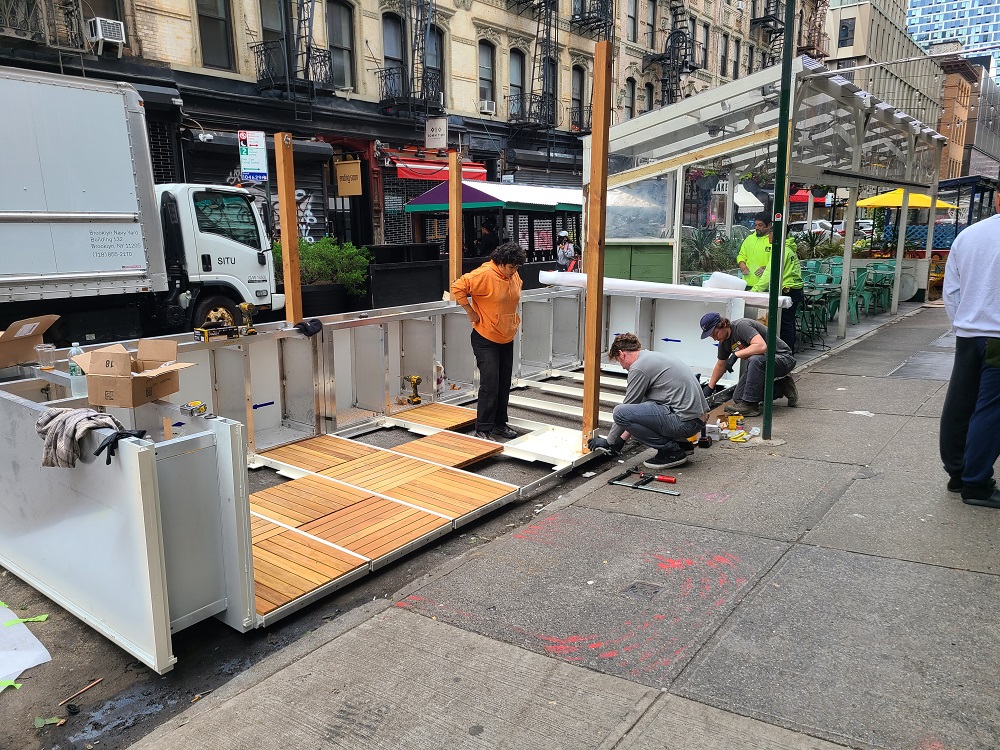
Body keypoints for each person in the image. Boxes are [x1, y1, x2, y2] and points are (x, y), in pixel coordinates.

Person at [940, 191, 1000, 508]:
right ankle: (976, 483)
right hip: (998, 337)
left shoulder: (969, 235)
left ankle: (957, 474)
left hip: (969, 333)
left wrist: (961, 323)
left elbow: (951, 289)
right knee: (991, 410)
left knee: (960, 404)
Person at [587, 333, 709, 470]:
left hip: (686, 423)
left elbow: (627, 409)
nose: (622, 367)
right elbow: (638, 412)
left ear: (622, 354)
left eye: (619, 361)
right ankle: (681, 444)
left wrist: (610, 442)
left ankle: (671, 451)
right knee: (645, 405)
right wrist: (621, 440)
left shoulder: (639, 367)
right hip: (695, 420)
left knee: (619, 412)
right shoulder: (652, 358)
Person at [451, 242, 527, 441]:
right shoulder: (484, 274)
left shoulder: (513, 274)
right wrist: (470, 312)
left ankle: (500, 424)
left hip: (506, 335)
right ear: (501, 263)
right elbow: (457, 287)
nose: (514, 271)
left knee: (504, 383)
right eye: (511, 267)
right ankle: (483, 428)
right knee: (490, 383)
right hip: (485, 337)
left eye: (517, 268)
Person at [701, 312, 797, 417]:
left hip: (783, 358)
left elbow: (761, 346)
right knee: (739, 398)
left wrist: (735, 355)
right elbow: (720, 365)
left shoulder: (741, 326)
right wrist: (710, 388)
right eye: (711, 336)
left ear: (723, 324)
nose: (715, 338)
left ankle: (751, 406)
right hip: (761, 365)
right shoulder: (724, 343)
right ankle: (782, 386)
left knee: (755, 359)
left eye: (715, 334)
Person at [747, 228, 804, 353]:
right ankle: (789, 352)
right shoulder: (789, 249)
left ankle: (786, 354)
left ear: (778, 235)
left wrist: (754, 291)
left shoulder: (781, 252)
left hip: (788, 290)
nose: (768, 237)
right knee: (789, 322)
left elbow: (769, 274)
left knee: (784, 324)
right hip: (795, 289)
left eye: (770, 234)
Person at [737, 213, 773, 290]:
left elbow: (778, 262)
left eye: (760, 225)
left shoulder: (772, 241)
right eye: (755, 225)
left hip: (765, 287)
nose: (757, 228)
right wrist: (742, 265)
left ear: (769, 225)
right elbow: (741, 255)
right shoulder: (749, 239)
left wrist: (767, 269)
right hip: (746, 285)